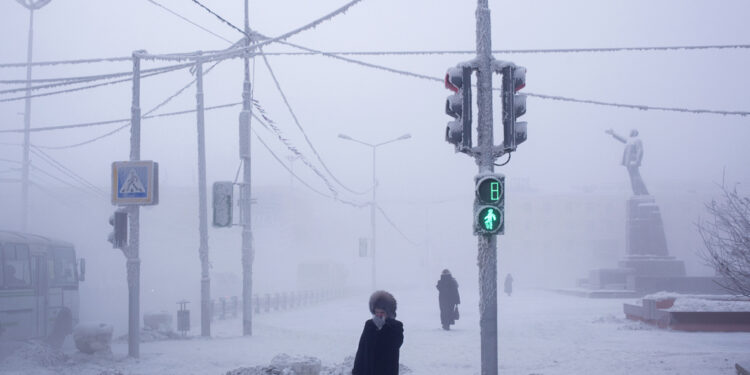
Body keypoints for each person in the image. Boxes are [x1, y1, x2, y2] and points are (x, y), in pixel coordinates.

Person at [352, 290, 403, 375]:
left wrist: (384, 327)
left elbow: (396, 344)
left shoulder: (396, 327)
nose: (379, 315)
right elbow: (361, 350)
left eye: (382, 312)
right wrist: (356, 371)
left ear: (388, 312)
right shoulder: (369, 325)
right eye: (377, 312)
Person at [605, 128, 649, 195]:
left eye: (631, 131)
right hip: (628, 162)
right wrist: (613, 133)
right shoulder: (629, 140)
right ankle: (637, 193)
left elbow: (640, 150)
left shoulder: (637, 140)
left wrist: (637, 161)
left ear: (635, 133)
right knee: (633, 178)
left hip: (633, 162)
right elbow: (622, 138)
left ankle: (644, 193)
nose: (629, 132)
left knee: (636, 177)